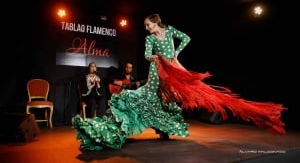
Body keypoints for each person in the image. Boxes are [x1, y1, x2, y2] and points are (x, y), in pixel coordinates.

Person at [72, 13, 287, 151]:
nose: (146, 28)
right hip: (158, 71)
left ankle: (255, 112)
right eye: (146, 26)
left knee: (191, 93)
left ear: (156, 22)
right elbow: (147, 55)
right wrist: (155, 58)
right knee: (151, 98)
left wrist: (176, 53)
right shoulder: (149, 39)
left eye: (148, 25)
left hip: (173, 69)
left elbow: (186, 38)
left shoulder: (170, 30)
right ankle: (122, 127)